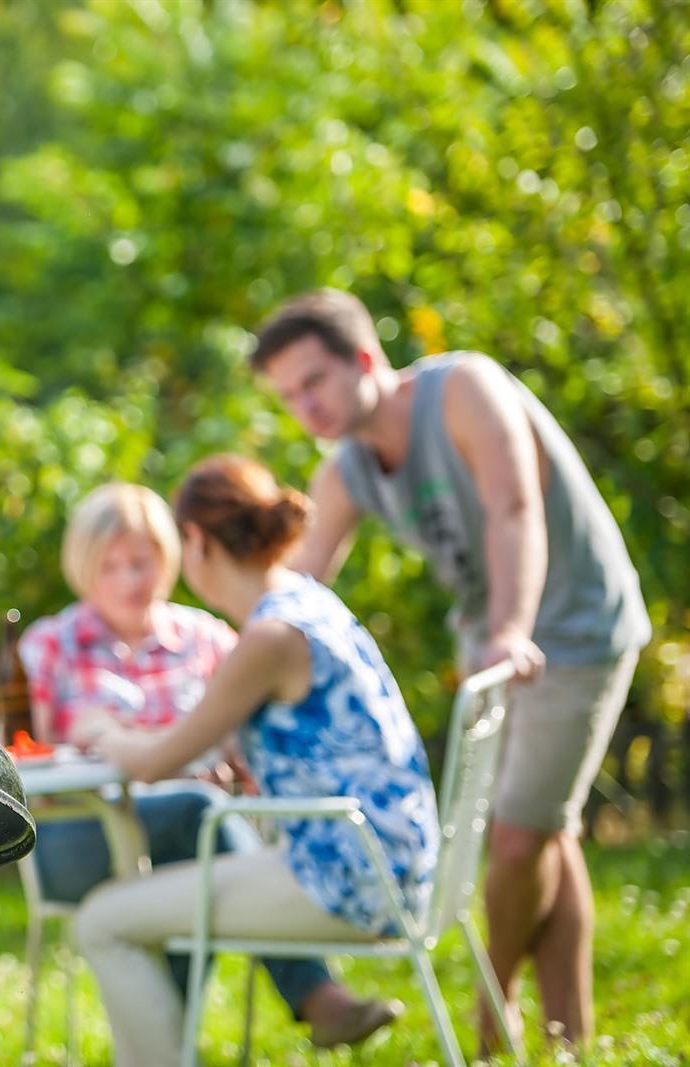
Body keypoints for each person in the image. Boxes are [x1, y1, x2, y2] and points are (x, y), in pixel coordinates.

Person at [250, 288, 649, 1048]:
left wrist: (507, 629)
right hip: (492, 647)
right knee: (544, 836)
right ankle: (571, 1040)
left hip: (572, 629)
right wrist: (229, 692)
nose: (306, 406)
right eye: (289, 395)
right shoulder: (349, 469)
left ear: (364, 359)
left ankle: (491, 1019)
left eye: (314, 382)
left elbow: (514, 508)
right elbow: (295, 594)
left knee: (514, 838)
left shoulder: (464, 390)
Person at [69, 456, 440, 1067]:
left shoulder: (270, 636)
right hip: (391, 860)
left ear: (195, 542)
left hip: (348, 878)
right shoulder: (308, 600)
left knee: (102, 922)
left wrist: (103, 731)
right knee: (134, 907)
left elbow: (157, 763)